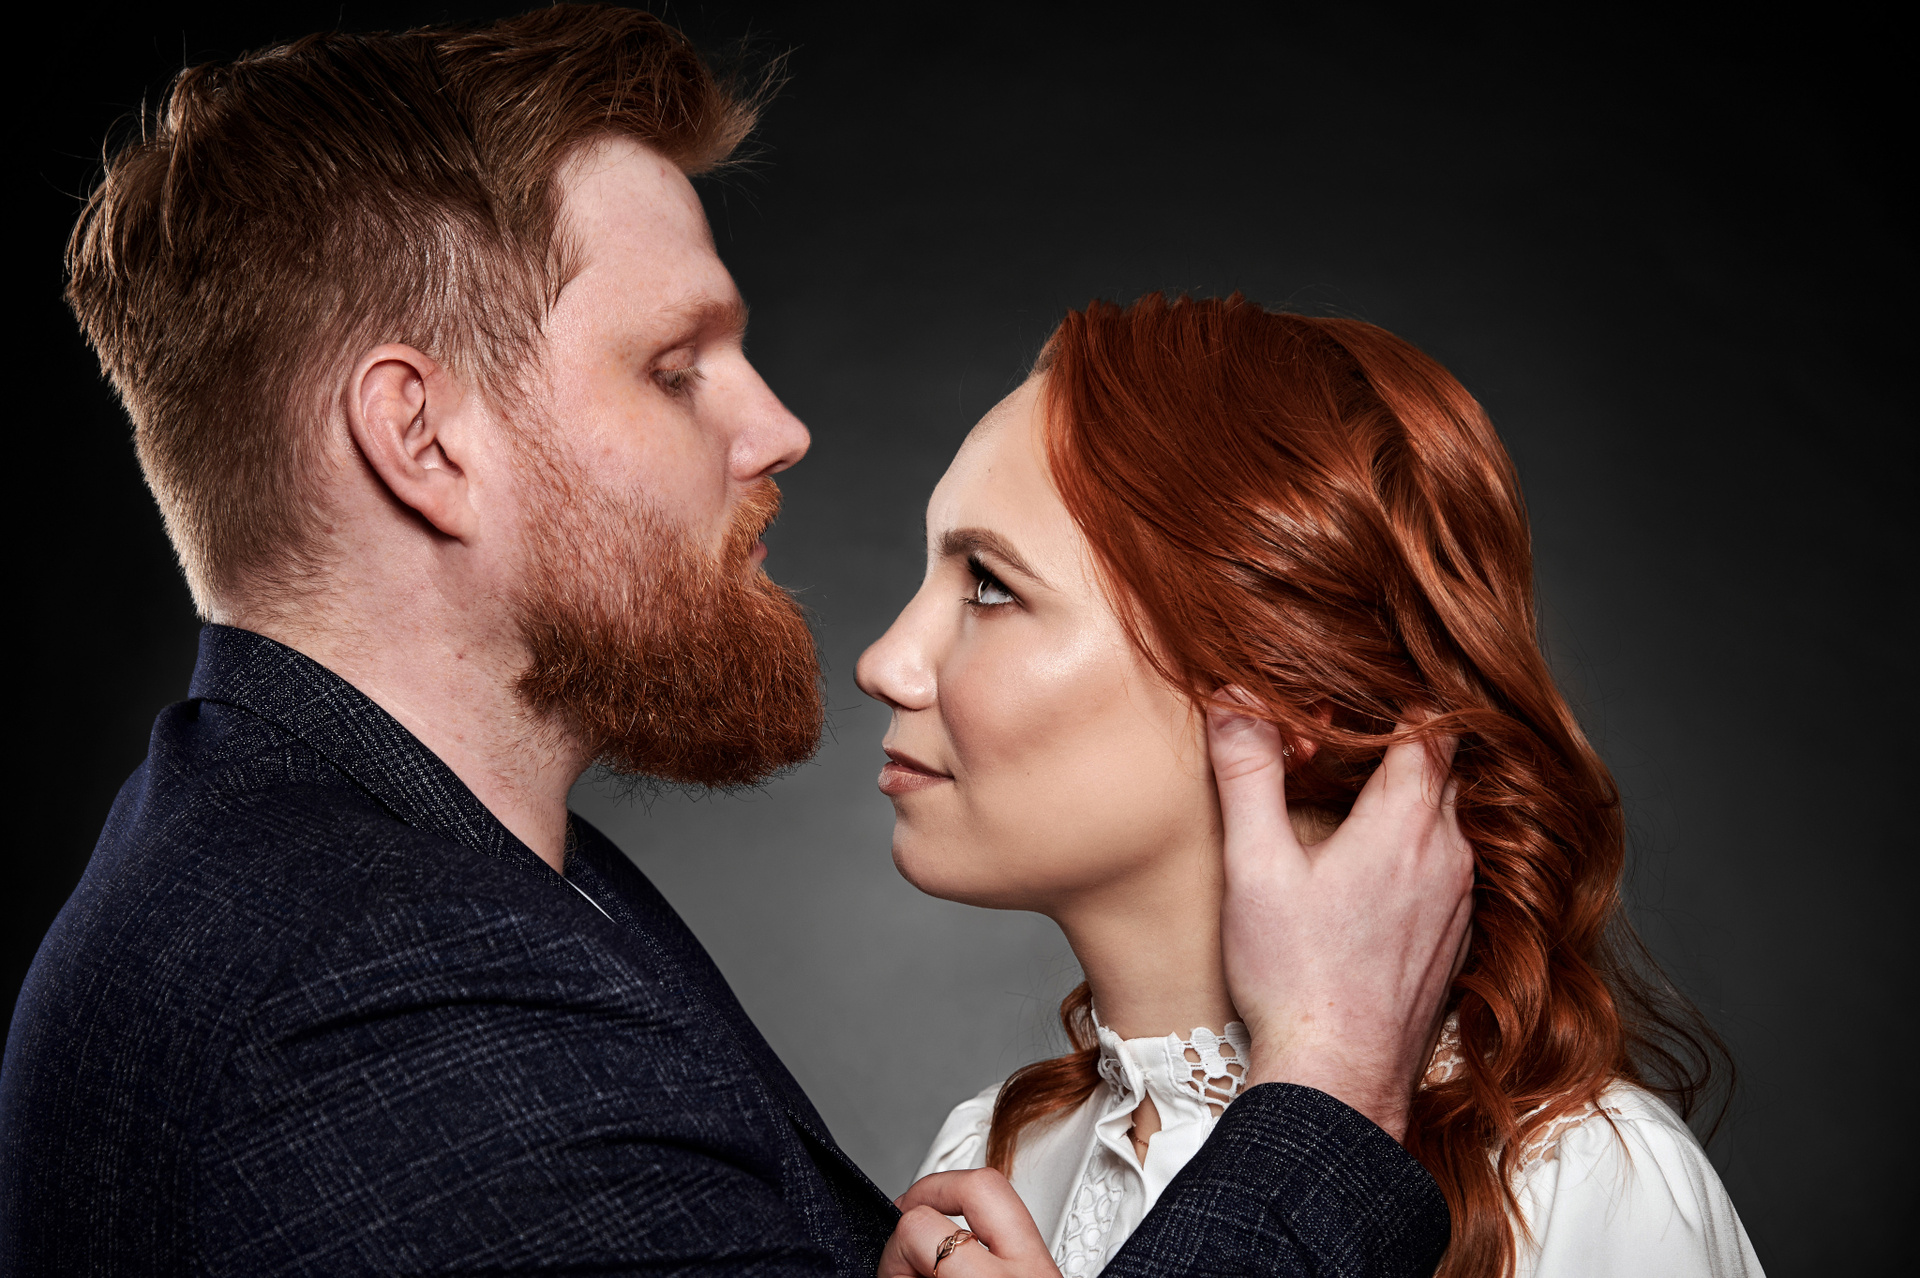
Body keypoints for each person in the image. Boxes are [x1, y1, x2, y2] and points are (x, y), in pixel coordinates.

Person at [1, 8, 1471, 1275]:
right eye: (674, 367)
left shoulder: (411, 877)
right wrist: (1332, 1091)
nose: (776, 427)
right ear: (423, 439)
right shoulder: (379, 988)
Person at [858, 295, 1765, 1278]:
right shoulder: (986, 1168)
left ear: (1286, 691)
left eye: (991, 584)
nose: (884, 662)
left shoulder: (1576, 1187)